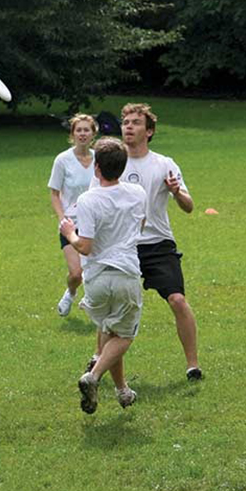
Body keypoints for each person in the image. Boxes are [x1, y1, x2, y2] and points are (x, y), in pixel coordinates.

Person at [87, 103, 203, 381]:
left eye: (136, 122)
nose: (128, 126)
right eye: (125, 121)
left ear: (149, 131)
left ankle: (193, 365)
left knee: (177, 299)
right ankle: (97, 360)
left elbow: (188, 206)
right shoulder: (112, 161)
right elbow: (94, 204)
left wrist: (177, 193)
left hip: (158, 243)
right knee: (112, 308)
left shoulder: (164, 164)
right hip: (122, 246)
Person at [60, 138, 147, 414]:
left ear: (96, 169)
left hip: (96, 279)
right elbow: (140, 224)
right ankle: (94, 376)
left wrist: (68, 233)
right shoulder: (137, 193)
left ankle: (123, 391)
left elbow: (84, 246)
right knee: (124, 336)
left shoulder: (88, 200)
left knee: (110, 333)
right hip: (125, 275)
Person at [48, 114, 98, 316]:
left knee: (94, 270)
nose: (83, 134)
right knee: (76, 272)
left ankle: (93, 303)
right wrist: (62, 218)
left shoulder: (99, 158)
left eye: (87, 130)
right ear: (73, 134)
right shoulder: (63, 160)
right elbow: (54, 192)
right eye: (79, 130)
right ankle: (71, 292)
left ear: (93, 133)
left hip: (94, 222)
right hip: (71, 223)